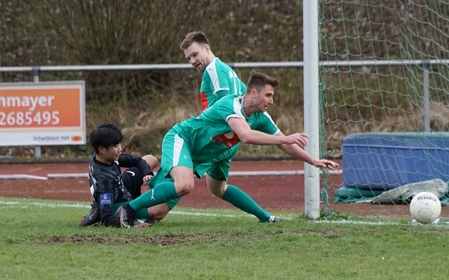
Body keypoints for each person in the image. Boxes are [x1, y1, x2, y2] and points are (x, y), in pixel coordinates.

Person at [120, 72, 338, 225]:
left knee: (161, 212)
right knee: (185, 185)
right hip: (183, 140)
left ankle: (265, 217)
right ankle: (126, 208)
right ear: (253, 92)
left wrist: (313, 161)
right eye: (268, 95)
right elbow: (245, 135)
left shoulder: (261, 117)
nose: (272, 101)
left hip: (211, 156)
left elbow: (283, 142)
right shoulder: (230, 104)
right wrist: (288, 138)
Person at [178, 31, 274, 222]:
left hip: (216, 140)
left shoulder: (214, 71)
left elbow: (226, 109)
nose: (192, 61)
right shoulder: (226, 71)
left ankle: (134, 210)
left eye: (195, 54)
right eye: (188, 58)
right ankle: (266, 218)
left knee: (176, 178)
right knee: (218, 189)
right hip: (229, 141)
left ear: (207, 48)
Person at [78, 122, 158, 228]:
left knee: (150, 159)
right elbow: (107, 218)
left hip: (121, 188)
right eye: (116, 146)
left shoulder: (105, 156)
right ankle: (99, 209)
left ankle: (98, 207)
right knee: (158, 211)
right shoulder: (104, 183)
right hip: (118, 204)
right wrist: (131, 226)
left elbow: (138, 161)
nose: (120, 148)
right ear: (102, 149)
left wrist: (147, 174)